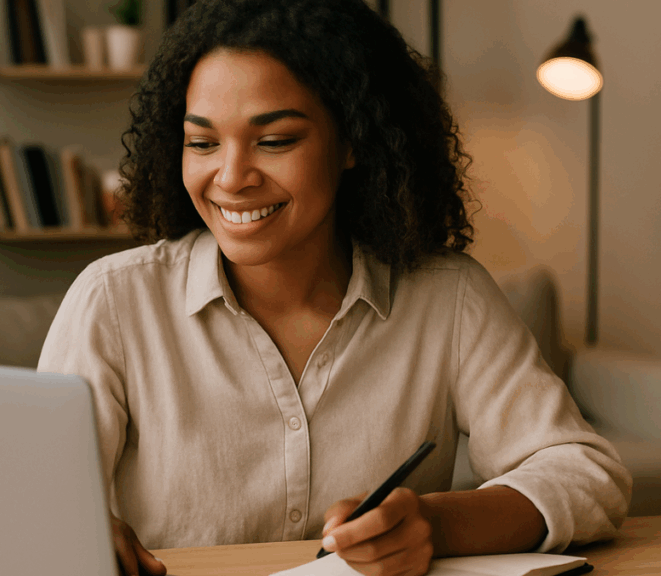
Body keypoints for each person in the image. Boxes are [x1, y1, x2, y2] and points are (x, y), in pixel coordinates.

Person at [37, 1, 632, 575]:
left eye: (274, 141)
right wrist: (74, 527)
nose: (231, 177)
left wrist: (436, 524)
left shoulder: (448, 298)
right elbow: (28, 498)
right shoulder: (113, 303)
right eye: (202, 142)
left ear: (352, 143)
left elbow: (585, 474)